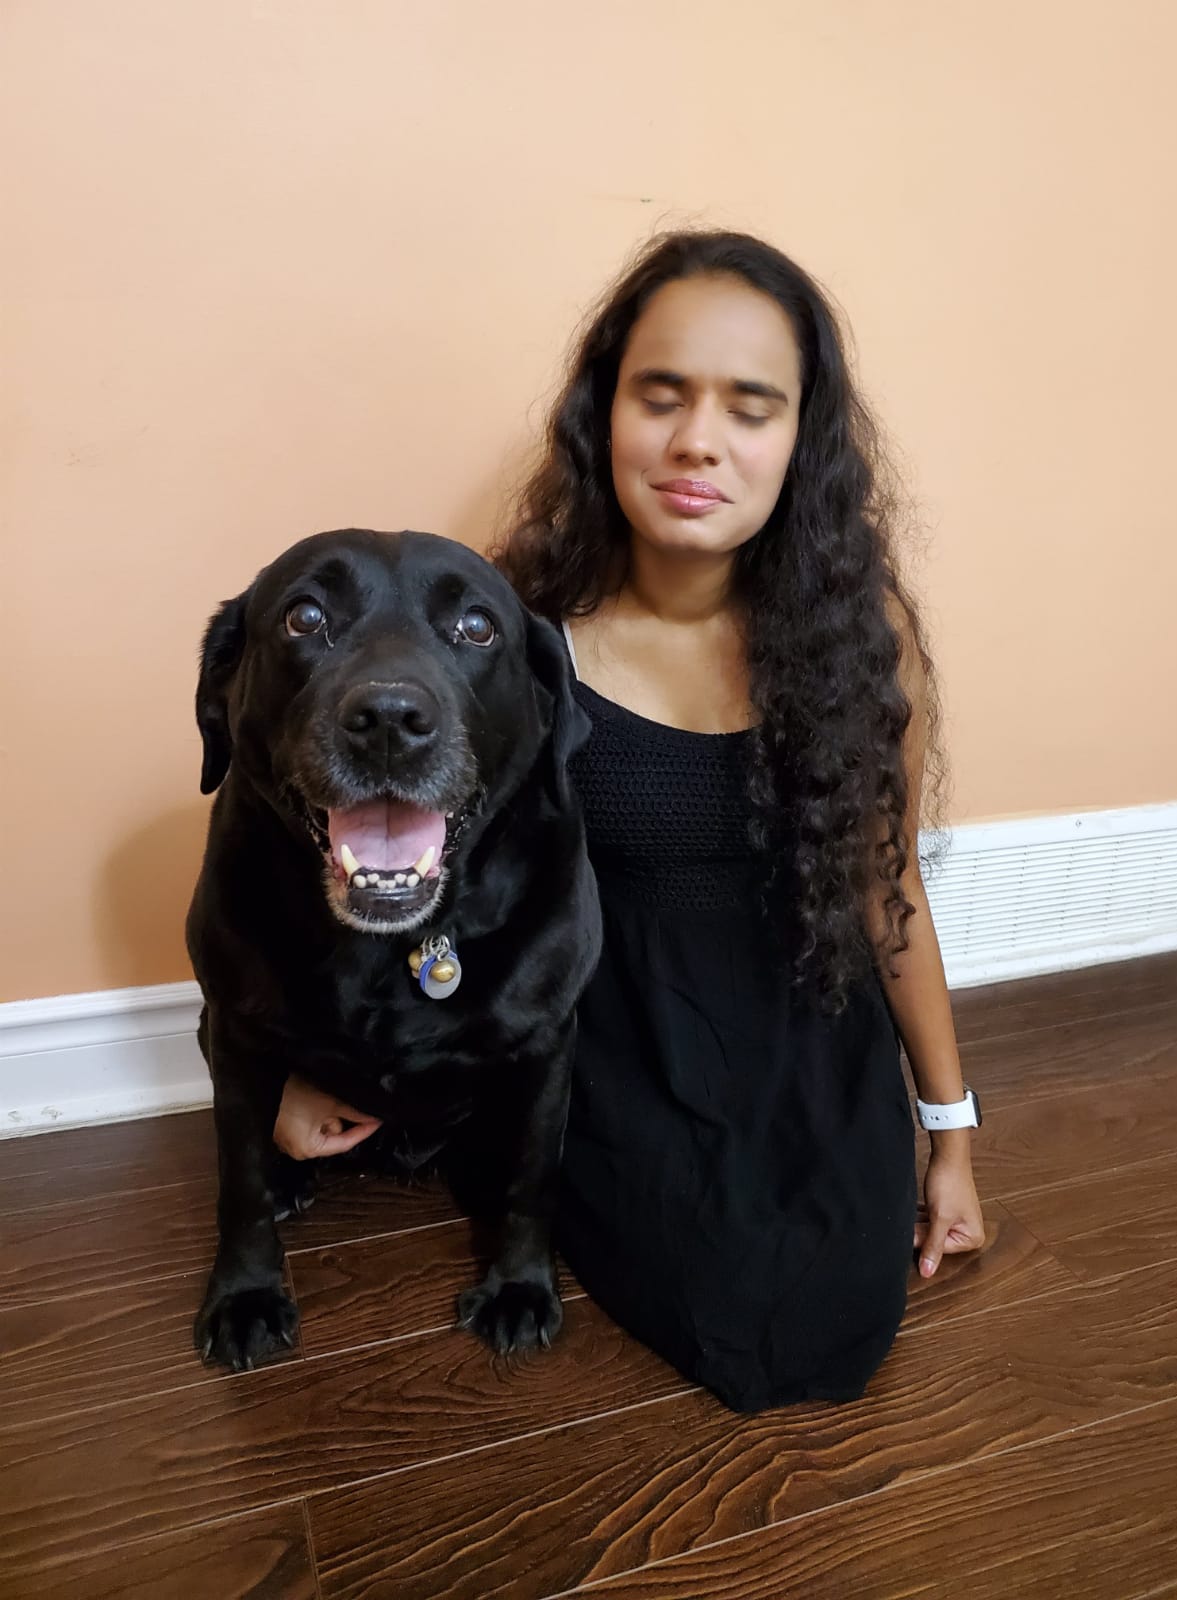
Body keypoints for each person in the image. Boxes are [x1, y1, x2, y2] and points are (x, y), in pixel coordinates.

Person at [274, 230, 986, 1411]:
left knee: (836, 1314)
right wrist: (312, 1064)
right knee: (706, 1291)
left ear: (800, 439)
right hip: (612, 1037)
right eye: (662, 394)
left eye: (750, 408)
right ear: (606, 412)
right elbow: (414, 869)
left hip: (804, 1024)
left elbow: (885, 885)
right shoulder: (517, 634)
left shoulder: (864, 640)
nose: (699, 438)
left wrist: (950, 1131)